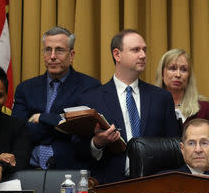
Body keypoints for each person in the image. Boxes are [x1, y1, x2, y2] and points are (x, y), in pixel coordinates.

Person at [77, 29, 180, 184]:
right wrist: (97, 143)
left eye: (144, 50)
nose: (143, 55)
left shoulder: (161, 98)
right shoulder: (91, 99)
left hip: (154, 185)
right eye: (135, 50)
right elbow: (77, 149)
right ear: (117, 55)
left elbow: (174, 147)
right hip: (109, 188)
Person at [12, 26, 100, 170]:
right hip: (28, 168)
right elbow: (18, 132)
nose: (52, 56)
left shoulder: (89, 86)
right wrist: (62, 128)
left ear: (71, 55)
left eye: (59, 50)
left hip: (68, 169)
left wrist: (42, 118)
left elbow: (83, 131)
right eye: (48, 50)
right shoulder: (25, 88)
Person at [155, 48, 209, 136]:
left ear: (189, 76)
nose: (178, 74)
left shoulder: (205, 109)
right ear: (162, 73)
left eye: (183, 69)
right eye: (173, 68)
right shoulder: (149, 106)